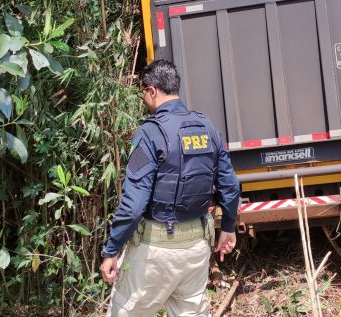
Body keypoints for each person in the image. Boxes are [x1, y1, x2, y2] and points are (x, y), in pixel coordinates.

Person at [100, 59, 241, 316]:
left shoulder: (150, 133)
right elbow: (229, 186)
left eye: (142, 92)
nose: (143, 98)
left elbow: (134, 205)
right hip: (197, 248)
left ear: (152, 90)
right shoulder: (206, 127)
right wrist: (228, 227)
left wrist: (111, 250)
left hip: (156, 251)